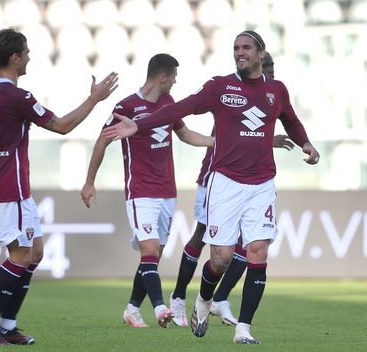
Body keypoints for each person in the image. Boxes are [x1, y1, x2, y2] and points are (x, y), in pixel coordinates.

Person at [102, 31, 320, 344]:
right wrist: (141, 124)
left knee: (257, 252)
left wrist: (306, 143)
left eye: (246, 48)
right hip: (225, 182)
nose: (240, 53)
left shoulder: (276, 90)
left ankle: (243, 329)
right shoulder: (220, 86)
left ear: (261, 54)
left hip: (262, 183)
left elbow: (291, 120)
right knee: (221, 257)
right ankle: (204, 299)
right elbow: (181, 108)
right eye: (236, 48)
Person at [0, 28, 118, 346]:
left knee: (35, 253)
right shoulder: (19, 96)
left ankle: (6, 325)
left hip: (10, 186)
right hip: (10, 186)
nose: (29, 56)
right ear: (14, 58)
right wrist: (94, 99)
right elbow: (61, 126)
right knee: (19, 256)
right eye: (26, 52)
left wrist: (1, 131)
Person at [80, 53, 213, 329]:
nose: (175, 81)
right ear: (162, 77)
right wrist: (90, 181)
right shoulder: (125, 106)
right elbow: (102, 143)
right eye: (173, 77)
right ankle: (160, 307)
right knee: (149, 250)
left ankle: (131, 309)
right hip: (140, 191)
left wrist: (217, 142)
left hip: (167, 191)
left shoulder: (168, 103)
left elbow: (185, 134)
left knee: (153, 255)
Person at [169, 51, 295, 328]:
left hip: (253, 181)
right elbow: (236, 131)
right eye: (268, 66)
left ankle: (220, 299)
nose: (271, 72)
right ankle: (179, 296)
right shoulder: (234, 93)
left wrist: (269, 140)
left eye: (273, 67)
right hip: (217, 176)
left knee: (250, 244)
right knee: (205, 237)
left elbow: (256, 131)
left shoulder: (270, 95)